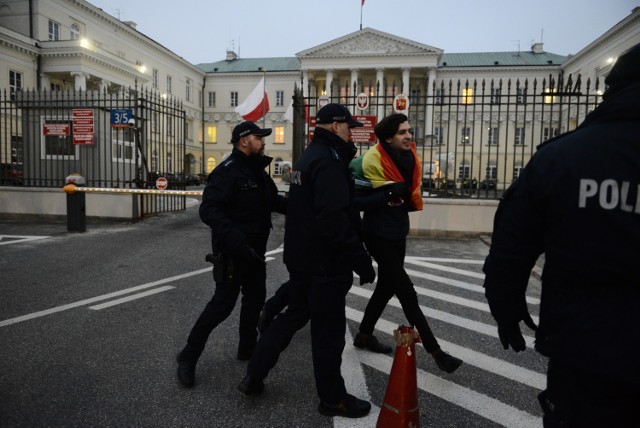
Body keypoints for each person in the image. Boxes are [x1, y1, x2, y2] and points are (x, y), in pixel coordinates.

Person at [483, 42, 640, 427]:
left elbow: (511, 244)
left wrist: (505, 303)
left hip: (583, 349)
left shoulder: (563, 157)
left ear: (613, 88)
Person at [238, 103, 376, 419]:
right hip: (324, 264)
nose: (352, 131)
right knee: (327, 334)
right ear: (335, 126)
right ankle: (333, 399)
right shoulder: (328, 162)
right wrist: (360, 259)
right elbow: (334, 219)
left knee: (291, 317)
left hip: (302, 258)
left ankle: (253, 376)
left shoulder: (309, 156)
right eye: (348, 126)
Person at [176, 121, 287, 388]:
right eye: (259, 137)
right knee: (222, 305)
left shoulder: (258, 170)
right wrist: (236, 239)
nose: (263, 141)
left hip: (256, 252)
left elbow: (274, 201)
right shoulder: (227, 172)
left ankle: (247, 348)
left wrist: (307, 211)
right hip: (233, 252)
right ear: (243, 140)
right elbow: (210, 210)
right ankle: (188, 356)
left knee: (255, 299)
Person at [350, 113, 463, 373]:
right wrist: (386, 194)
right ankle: (437, 353)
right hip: (377, 234)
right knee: (406, 292)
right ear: (388, 137)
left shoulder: (411, 158)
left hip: (398, 231)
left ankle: (364, 335)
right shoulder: (371, 162)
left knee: (387, 287)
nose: (409, 135)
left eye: (409, 131)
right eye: (402, 132)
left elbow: (408, 193)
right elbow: (354, 202)